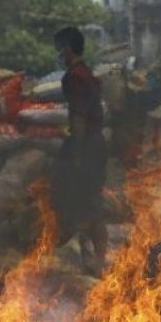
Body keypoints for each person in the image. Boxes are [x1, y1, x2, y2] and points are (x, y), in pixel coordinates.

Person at [51, 26, 108, 273]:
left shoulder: (74, 77)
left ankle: (96, 258)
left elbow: (80, 116)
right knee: (86, 200)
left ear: (67, 49)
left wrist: (76, 152)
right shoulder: (87, 74)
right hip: (94, 144)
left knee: (81, 200)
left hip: (86, 147)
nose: (58, 54)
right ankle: (92, 255)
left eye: (59, 48)